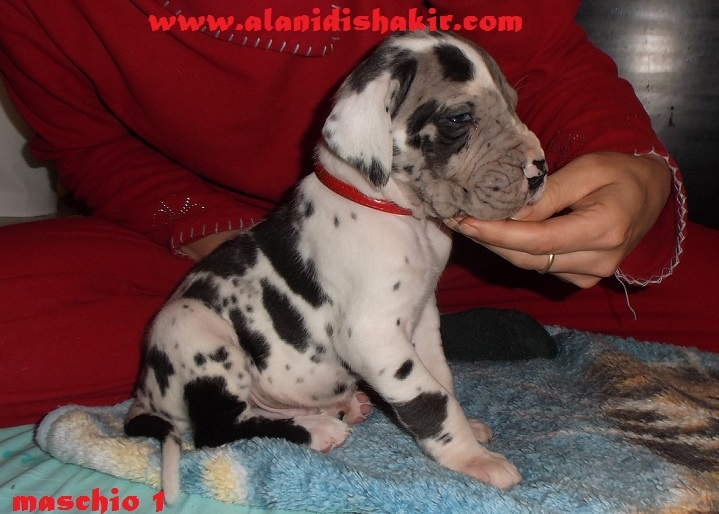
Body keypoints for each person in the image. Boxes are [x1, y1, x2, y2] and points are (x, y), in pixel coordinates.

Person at [0, 0, 717, 429]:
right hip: (239, 266)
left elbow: (539, 60)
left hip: (467, 231)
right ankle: (383, 345)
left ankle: (401, 339)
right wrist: (215, 234)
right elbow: (90, 147)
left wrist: (631, 172)